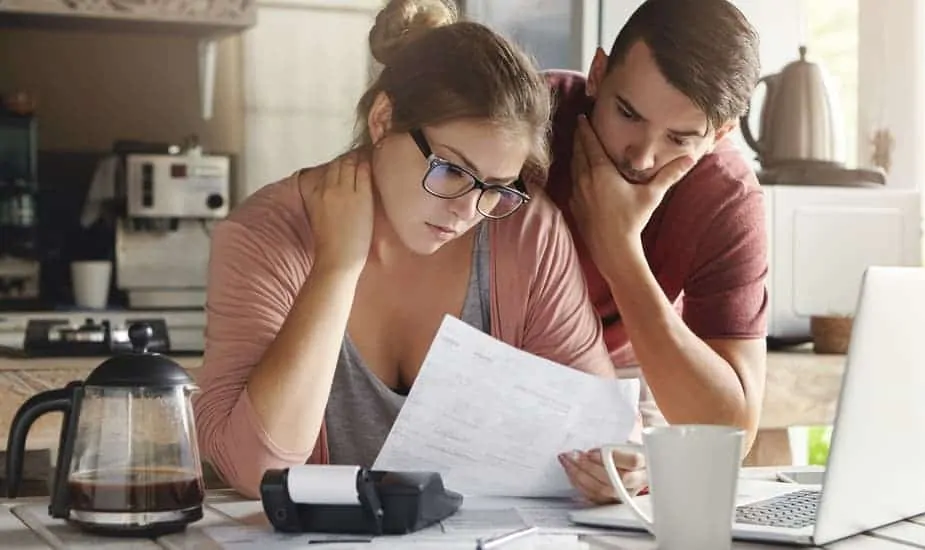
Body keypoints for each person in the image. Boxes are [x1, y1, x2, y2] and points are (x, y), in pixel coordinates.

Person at [192, 0, 644, 501]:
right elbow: (256, 469)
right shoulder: (264, 236)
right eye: (451, 170)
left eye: (495, 186)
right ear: (383, 120)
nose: (467, 210)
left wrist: (619, 467)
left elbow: (599, 430)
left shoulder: (526, 231)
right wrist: (337, 267)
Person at [540, 0, 769, 503]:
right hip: (490, 353)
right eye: (627, 114)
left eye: (679, 138)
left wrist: (620, 253)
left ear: (721, 134)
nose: (642, 156)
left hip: (630, 374)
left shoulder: (726, 196)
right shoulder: (529, 116)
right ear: (598, 74)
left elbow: (730, 431)